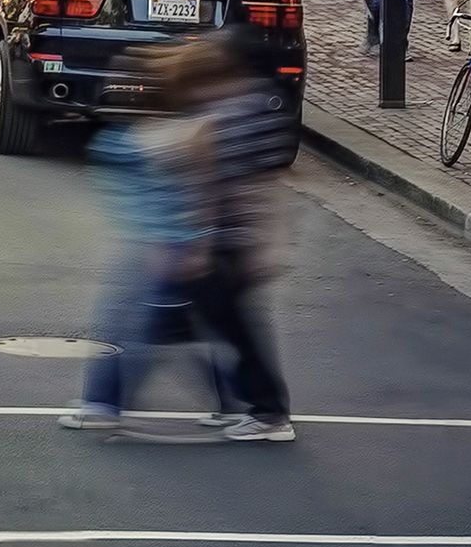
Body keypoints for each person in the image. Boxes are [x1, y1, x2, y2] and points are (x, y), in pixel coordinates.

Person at [63, 41, 233, 436]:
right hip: (160, 244)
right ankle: (237, 399)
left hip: (162, 246)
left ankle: (104, 402)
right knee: (173, 327)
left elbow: (198, 193)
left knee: (131, 326)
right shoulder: (145, 138)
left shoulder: (162, 139)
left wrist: (194, 242)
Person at [188, 27, 299, 441]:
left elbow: (255, 181)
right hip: (234, 234)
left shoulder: (246, 107)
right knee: (219, 318)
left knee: (233, 325)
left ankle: (269, 412)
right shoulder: (249, 101)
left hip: (236, 236)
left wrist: (266, 240)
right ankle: (237, 403)